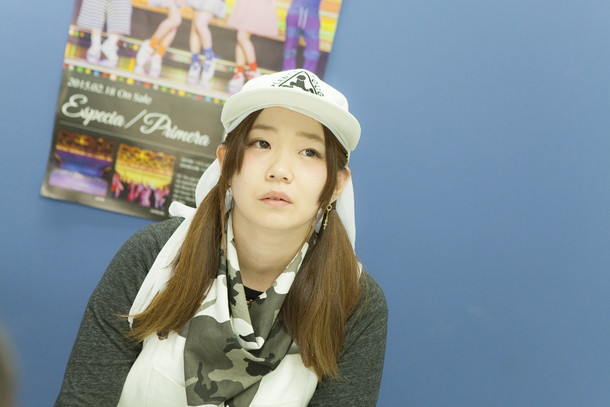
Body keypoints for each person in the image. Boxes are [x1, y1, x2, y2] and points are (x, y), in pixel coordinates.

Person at [54, 69, 388, 406]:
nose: (279, 170)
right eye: (261, 143)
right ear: (226, 161)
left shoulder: (355, 301)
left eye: (310, 152)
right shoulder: (155, 254)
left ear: (337, 183)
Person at [226, 0, 278, 94]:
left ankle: (253, 70)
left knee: (241, 36)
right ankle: (240, 73)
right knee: (240, 37)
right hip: (246, 4)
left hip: (256, 5)